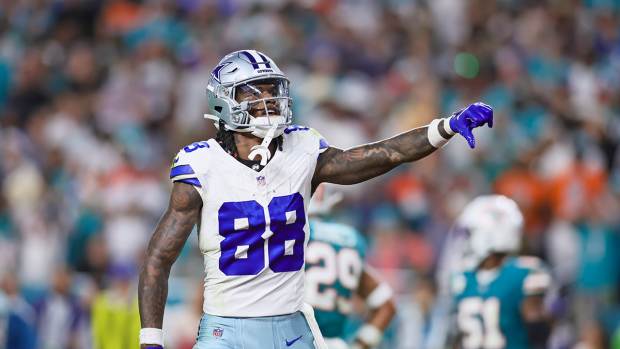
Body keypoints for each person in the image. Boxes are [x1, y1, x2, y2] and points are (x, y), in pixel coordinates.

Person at [138, 49, 493, 349]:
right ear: (224, 101)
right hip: (228, 331)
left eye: (271, 90)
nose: (268, 100)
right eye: (254, 93)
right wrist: (151, 339)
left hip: (292, 329)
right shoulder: (201, 164)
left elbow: (380, 155)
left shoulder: (302, 148)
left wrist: (444, 127)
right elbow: (159, 257)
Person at [449, 195, 552, 349]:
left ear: (488, 234)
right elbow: (539, 332)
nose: (466, 241)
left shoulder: (462, 280)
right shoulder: (525, 272)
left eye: (470, 233)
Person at [304, 185, 396, 349]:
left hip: (296, 341)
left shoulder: (294, 235)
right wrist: (361, 344)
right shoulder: (349, 238)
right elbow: (386, 305)